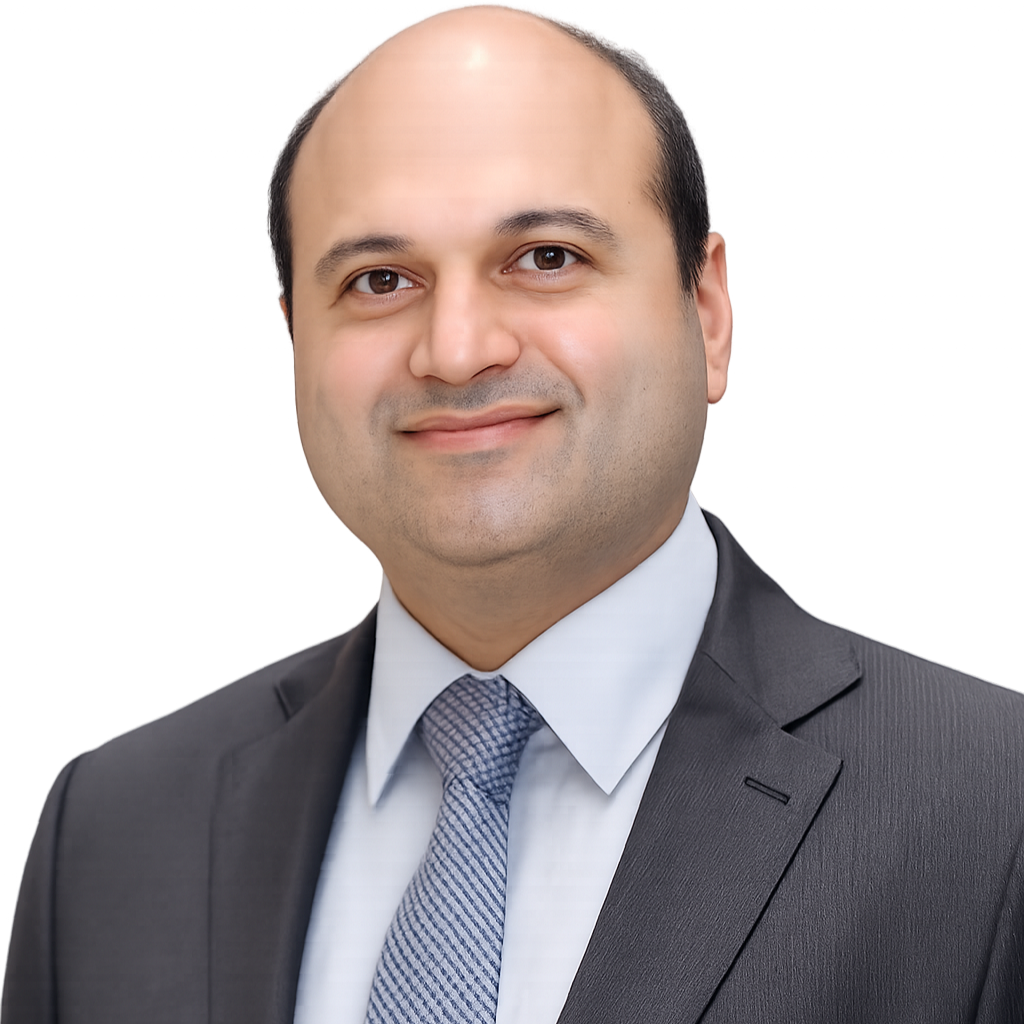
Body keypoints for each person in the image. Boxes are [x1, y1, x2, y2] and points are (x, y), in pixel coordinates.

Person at [3, 5, 1021, 1022]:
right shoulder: (110, 825)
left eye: (545, 258)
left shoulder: (996, 805)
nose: (456, 350)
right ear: (294, 344)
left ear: (709, 312)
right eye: (379, 280)